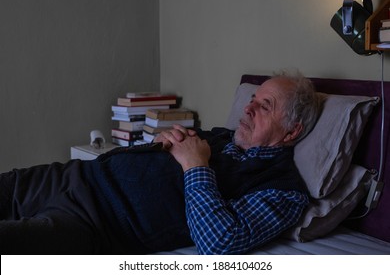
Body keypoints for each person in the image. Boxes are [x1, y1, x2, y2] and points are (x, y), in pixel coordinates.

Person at [0, 70, 320, 255]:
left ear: (292, 130)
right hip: (74, 176)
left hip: (93, 222)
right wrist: (157, 145)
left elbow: (220, 243)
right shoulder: (221, 136)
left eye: (265, 106)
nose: (248, 110)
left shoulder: (282, 191)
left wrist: (196, 167)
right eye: (252, 100)